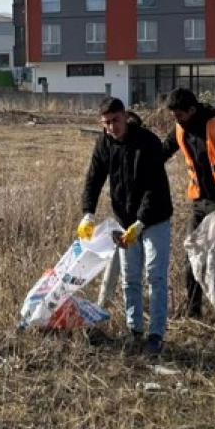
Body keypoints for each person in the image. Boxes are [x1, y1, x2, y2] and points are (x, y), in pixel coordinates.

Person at [78, 97, 174, 355]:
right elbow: (94, 178)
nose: (112, 127)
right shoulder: (104, 143)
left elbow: (155, 186)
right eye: (106, 123)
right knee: (130, 278)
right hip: (124, 220)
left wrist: (141, 222)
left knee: (155, 276)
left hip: (154, 218)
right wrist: (88, 213)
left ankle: (156, 335)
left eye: (116, 120)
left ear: (125, 116)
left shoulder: (148, 142)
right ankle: (135, 331)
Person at [160, 87, 215, 319]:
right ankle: (193, 311)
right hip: (199, 203)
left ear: (192, 110)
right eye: (174, 116)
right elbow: (161, 153)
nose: (176, 120)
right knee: (192, 257)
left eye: (179, 115)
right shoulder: (180, 129)